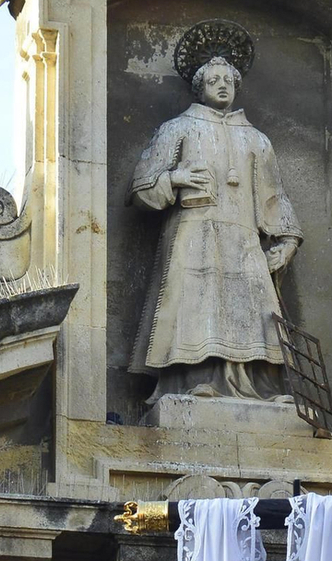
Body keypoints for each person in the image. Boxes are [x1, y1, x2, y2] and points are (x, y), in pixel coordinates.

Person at [129, 22, 301, 404]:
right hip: (194, 234)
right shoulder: (177, 129)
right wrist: (174, 178)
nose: (223, 85)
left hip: (243, 239)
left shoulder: (257, 140)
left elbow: (275, 198)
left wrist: (286, 243)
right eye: (214, 79)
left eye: (228, 79)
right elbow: (141, 187)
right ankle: (192, 380)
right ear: (200, 86)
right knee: (197, 302)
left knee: (253, 310)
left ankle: (260, 387)